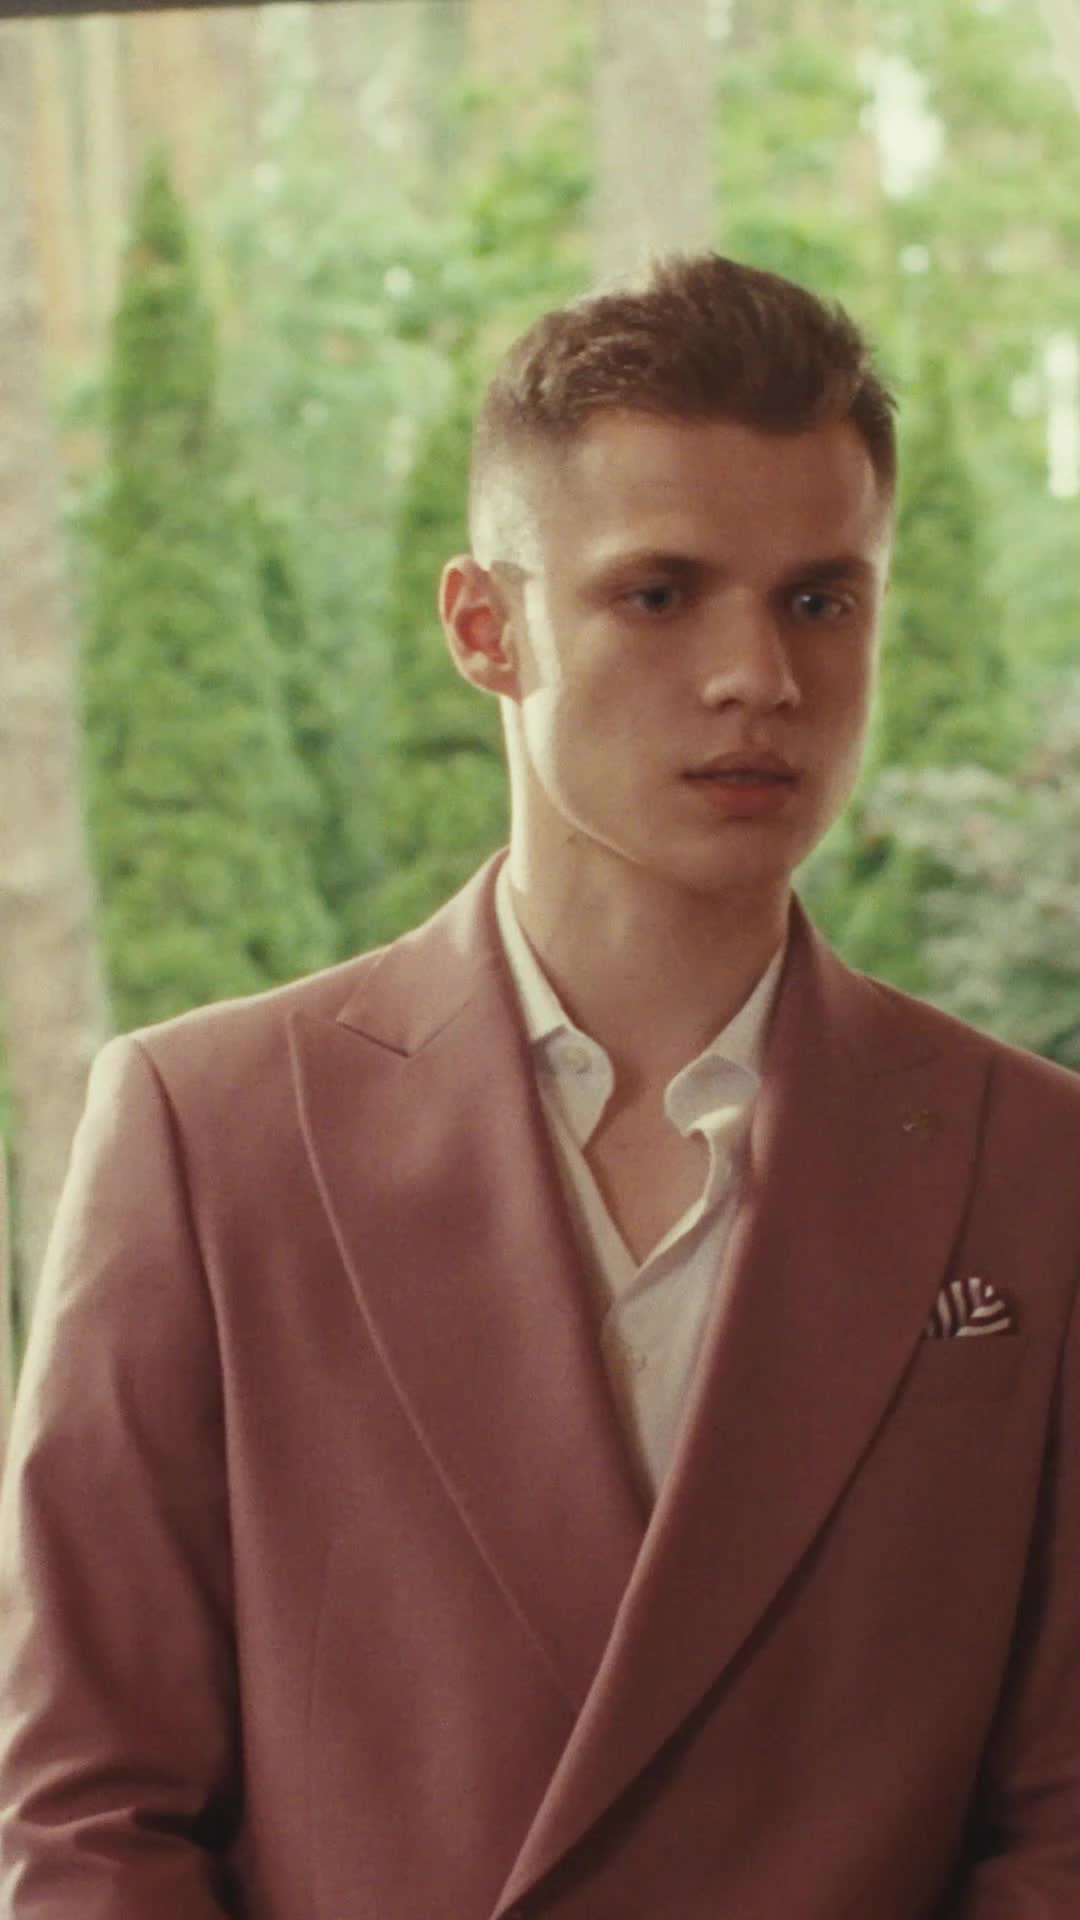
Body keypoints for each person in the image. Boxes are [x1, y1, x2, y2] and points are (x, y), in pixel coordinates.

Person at [2, 253, 1080, 1920]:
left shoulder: (1034, 1165)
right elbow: (88, 1816)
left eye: (819, 599)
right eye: (659, 594)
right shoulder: (207, 1132)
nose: (759, 676)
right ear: (484, 628)